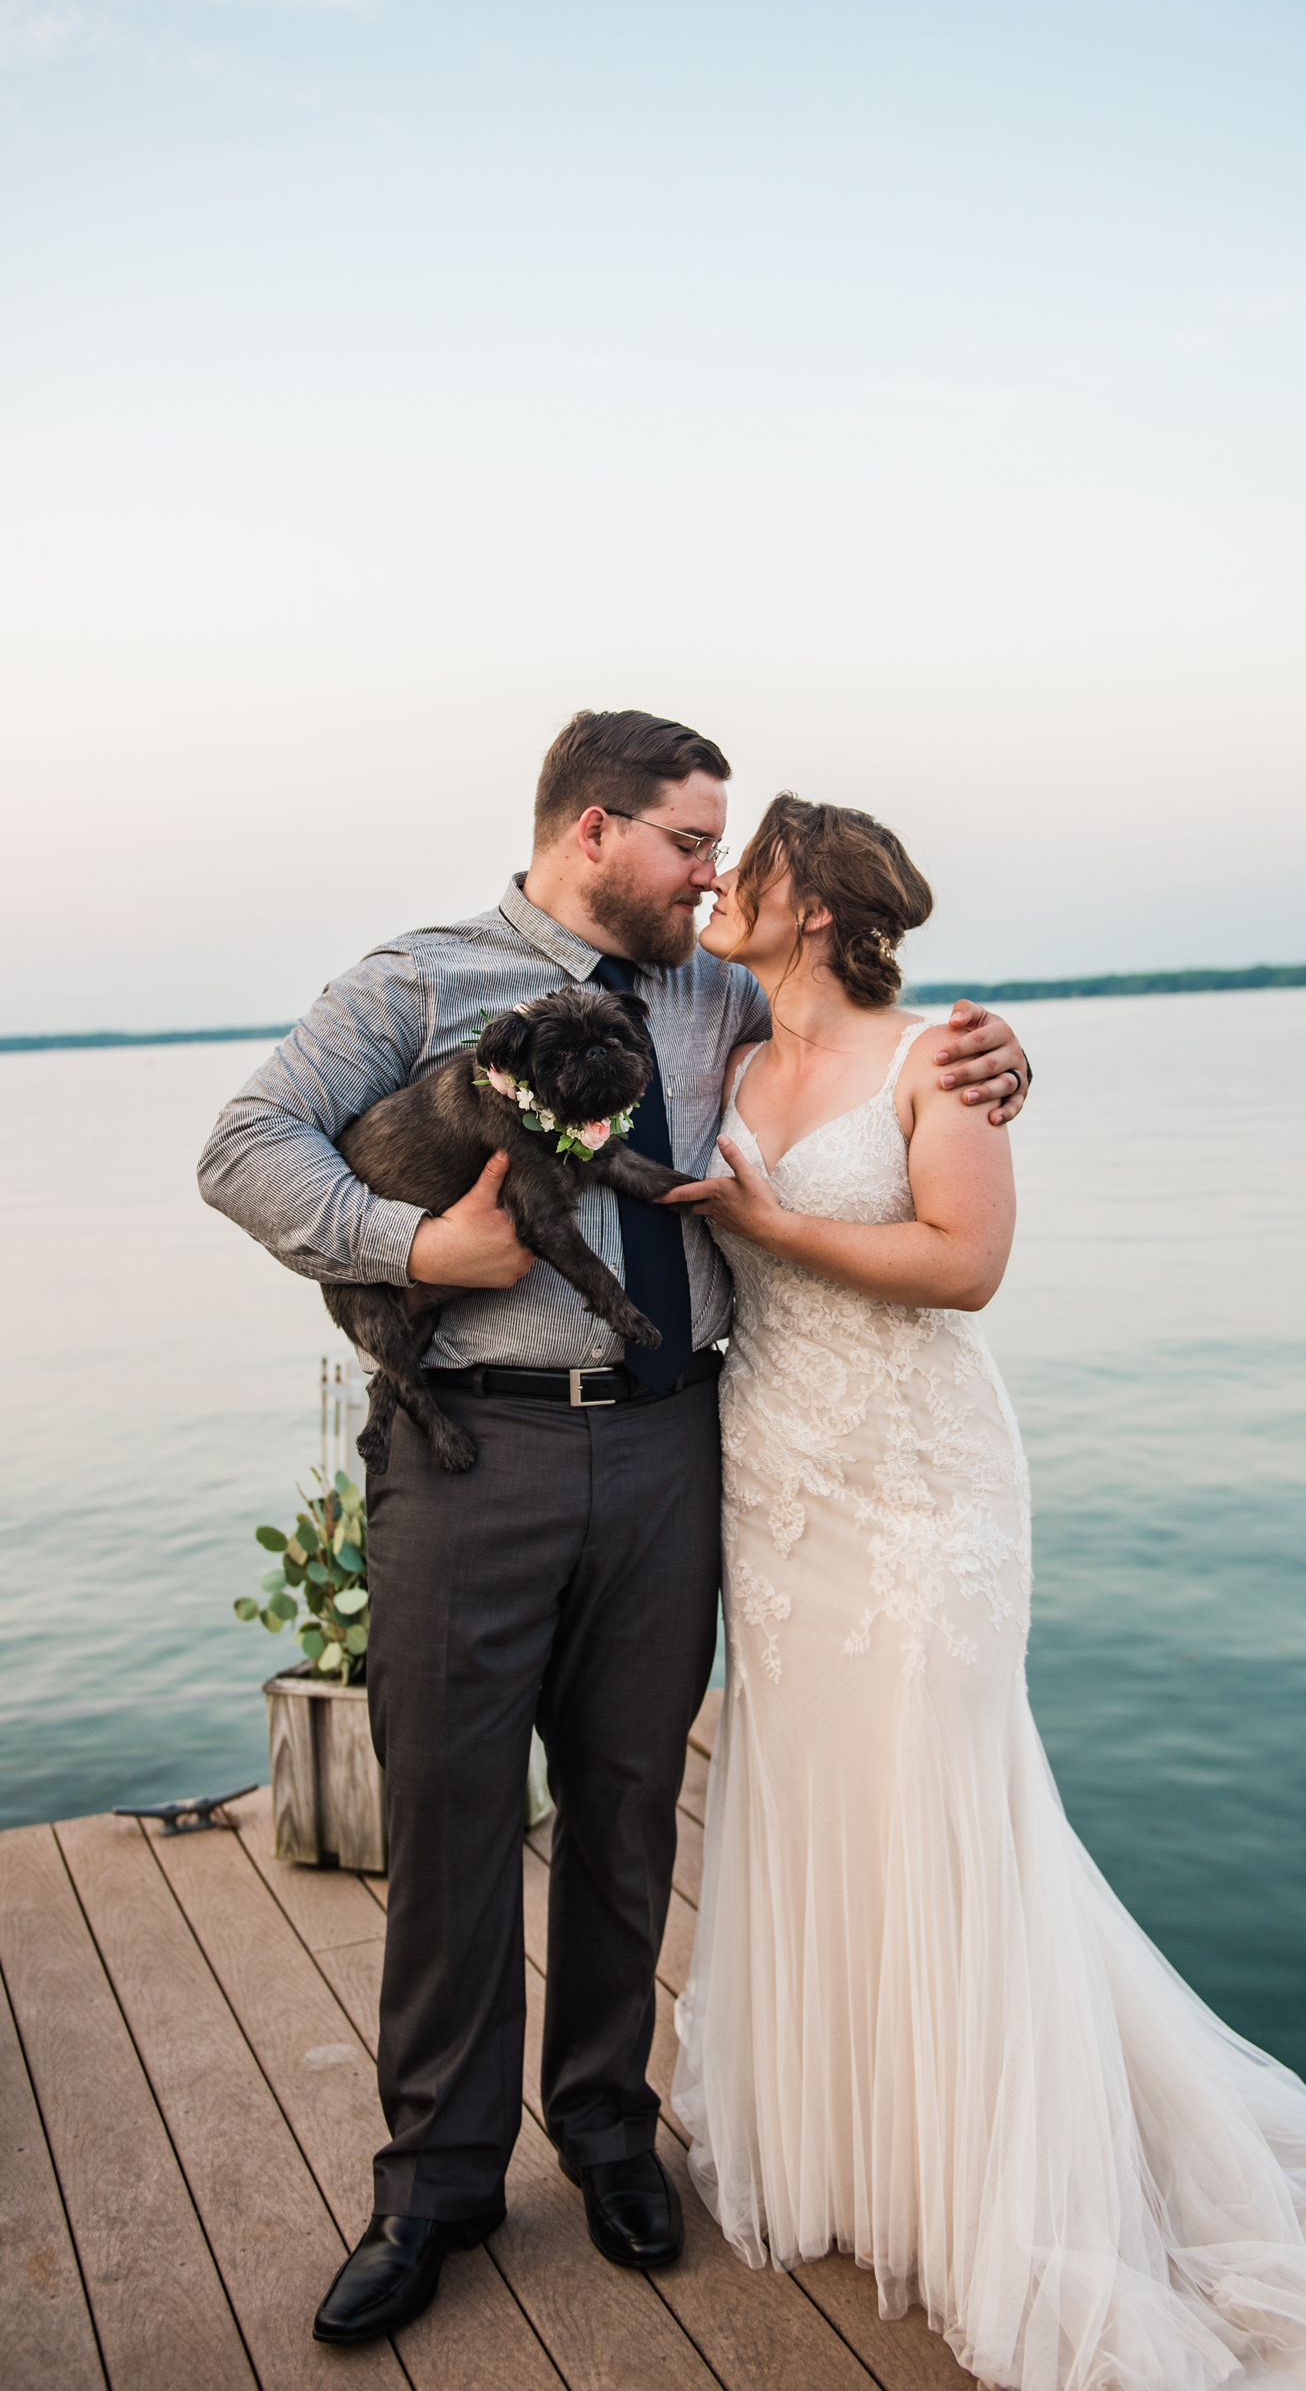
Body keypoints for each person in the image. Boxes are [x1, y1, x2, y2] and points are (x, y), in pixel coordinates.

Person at [664, 794, 1306, 2391]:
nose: (719, 882)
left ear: (814, 904)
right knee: (813, 1797)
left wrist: (775, 1221)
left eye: (753, 864)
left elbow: (966, 1264)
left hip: (922, 1486)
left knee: (947, 1802)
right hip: (776, 1474)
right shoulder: (721, 1043)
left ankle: (1008, 2191)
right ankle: (873, 2156)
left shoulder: (938, 1057)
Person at [197, 710, 1033, 2346]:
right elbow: (244, 1147)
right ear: (594, 831)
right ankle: (433, 2182)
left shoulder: (723, 993)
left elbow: (868, 1043)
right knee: (447, 1820)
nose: (712, 874)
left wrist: (991, 1058)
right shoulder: (419, 982)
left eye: (726, 852)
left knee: (633, 1807)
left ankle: (601, 2131)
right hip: (470, 1465)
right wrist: (417, 1251)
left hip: (675, 1450)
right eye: (688, 844)